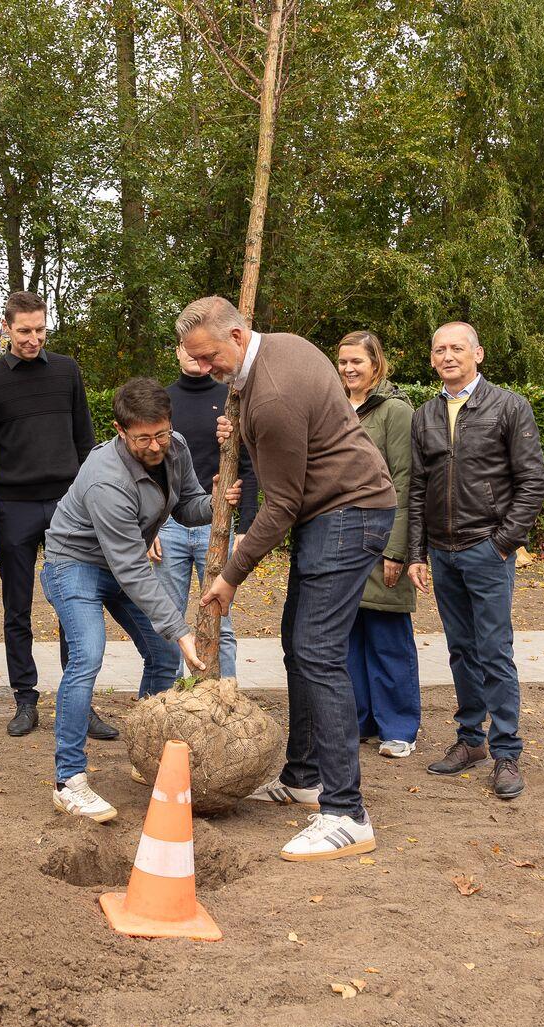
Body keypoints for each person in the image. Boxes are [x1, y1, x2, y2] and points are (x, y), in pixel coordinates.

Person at [185, 296, 396, 862]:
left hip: (348, 513)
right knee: (301, 647)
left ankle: (346, 813)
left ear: (236, 335)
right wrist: (242, 422)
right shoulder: (280, 348)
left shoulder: (271, 395)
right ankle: (305, 776)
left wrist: (230, 576)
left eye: (209, 359)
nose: (205, 371)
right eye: (195, 362)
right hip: (339, 511)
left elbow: (279, 505)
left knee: (317, 652)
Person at [40, 377, 239, 822]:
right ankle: (68, 780)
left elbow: (187, 505)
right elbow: (132, 566)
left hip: (118, 565)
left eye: (162, 433)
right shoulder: (104, 481)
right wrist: (182, 628)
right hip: (74, 565)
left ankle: (144, 753)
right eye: (143, 438)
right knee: (88, 657)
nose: (155, 446)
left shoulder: (176, 447)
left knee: (162, 654)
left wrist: (217, 502)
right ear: (119, 429)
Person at [407, 322, 544, 800]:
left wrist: (503, 542)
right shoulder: (425, 414)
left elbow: (532, 482)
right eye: (440, 349)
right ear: (431, 360)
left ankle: (506, 750)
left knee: (494, 650)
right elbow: (417, 489)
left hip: (486, 550)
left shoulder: (508, 407)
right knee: (461, 650)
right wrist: (416, 552)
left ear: (478, 354)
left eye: (457, 348)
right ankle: (471, 741)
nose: (448, 356)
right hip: (442, 553)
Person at [0, 291, 114, 740]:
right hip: (14, 506)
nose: (33, 338)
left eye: (40, 330)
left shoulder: (68, 371)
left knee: (74, 605)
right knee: (16, 606)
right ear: (7, 328)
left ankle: (80, 703)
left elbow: (85, 440)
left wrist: (90, 501)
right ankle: (25, 699)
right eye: (24, 331)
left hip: (67, 506)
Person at [334, 330, 420, 758]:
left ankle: (400, 727)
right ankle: (362, 720)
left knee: (388, 637)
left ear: (376, 364)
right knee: (349, 639)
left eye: (357, 362)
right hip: (342, 539)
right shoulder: (334, 406)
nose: (349, 369)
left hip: (382, 537)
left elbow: (405, 483)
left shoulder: (396, 413)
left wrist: (396, 550)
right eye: (343, 361)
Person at [161, 341, 259, 677]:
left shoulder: (231, 399)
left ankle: (223, 696)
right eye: (184, 348)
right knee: (167, 623)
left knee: (221, 619)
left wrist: (245, 526)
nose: (191, 355)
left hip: (216, 525)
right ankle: (170, 704)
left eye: (198, 349)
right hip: (167, 526)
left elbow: (248, 467)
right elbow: (141, 470)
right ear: (176, 351)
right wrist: (145, 531)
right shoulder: (162, 401)